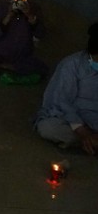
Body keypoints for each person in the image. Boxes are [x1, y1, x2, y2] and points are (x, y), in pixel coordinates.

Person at [34, 23, 98, 153]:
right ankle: (89, 142)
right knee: (48, 128)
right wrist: (83, 132)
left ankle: (91, 143)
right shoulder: (72, 65)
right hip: (75, 121)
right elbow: (61, 101)